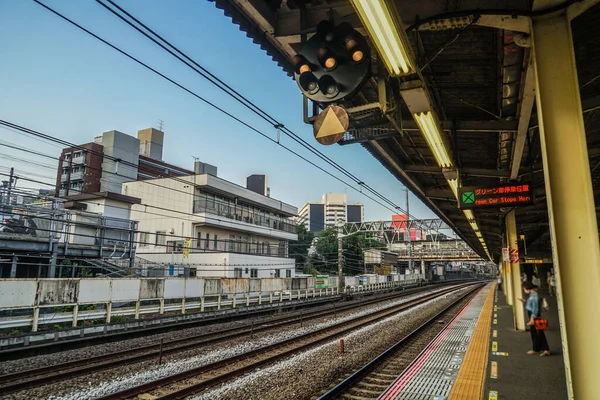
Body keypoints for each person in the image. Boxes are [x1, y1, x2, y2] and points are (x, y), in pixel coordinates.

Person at [520, 281, 550, 356]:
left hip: (534, 315)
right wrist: (525, 301)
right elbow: (532, 305)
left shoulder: (534, 296)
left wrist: (532, 318)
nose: (524, 290)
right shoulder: (532, 295)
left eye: (524, 288)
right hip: (533, 314)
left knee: (538, 332)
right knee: (535, 332)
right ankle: (537, 348)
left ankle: (545, 349)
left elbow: (535, 308)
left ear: (527, 288)